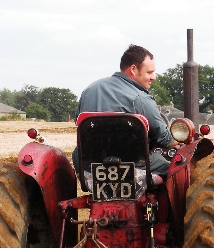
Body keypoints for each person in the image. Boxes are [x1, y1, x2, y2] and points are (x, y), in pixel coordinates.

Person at [74, 44, 176, 176]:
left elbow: (79, 122)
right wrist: (178, 140)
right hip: (132, 164)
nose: (153, 77)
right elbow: (164, 140)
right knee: (175, 170)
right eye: (149, 72)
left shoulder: (90, 90)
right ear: (133, 69)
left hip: (88, 164)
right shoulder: (141, 98)